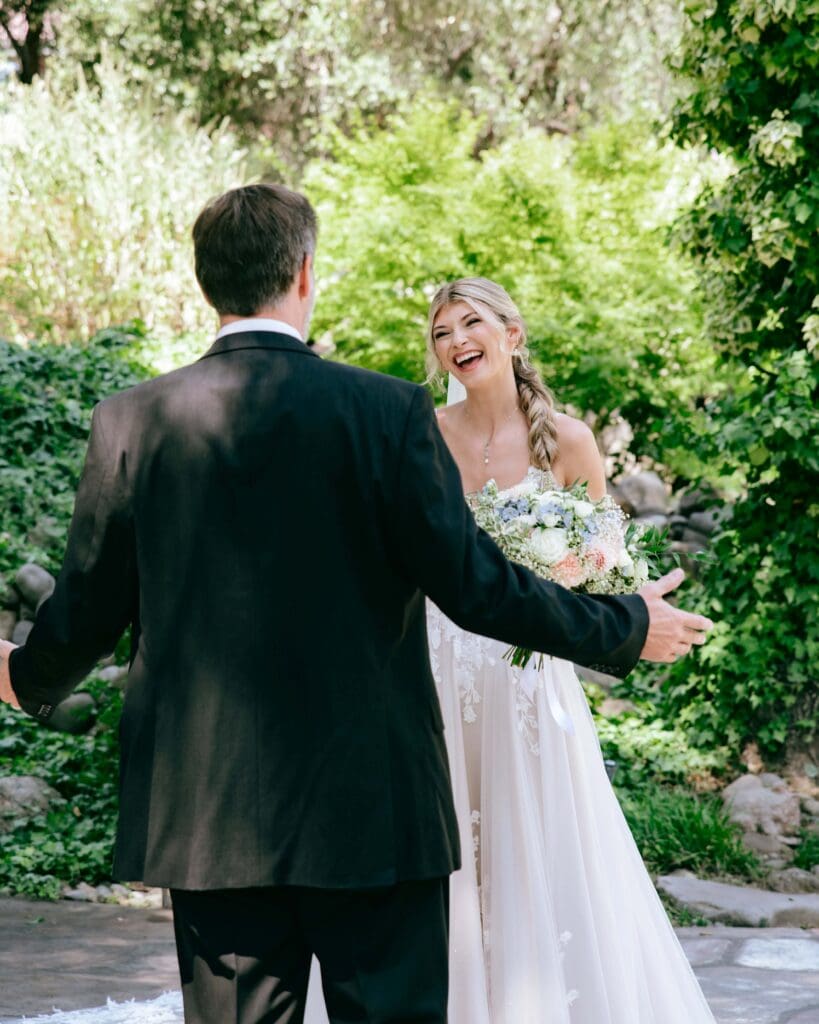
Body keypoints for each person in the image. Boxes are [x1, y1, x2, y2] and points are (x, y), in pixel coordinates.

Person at [0, 186, 711, 1024]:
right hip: (372, 809)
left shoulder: (133, 419)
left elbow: (85, 608)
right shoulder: (384, 411)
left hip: (210, 814)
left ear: (207, 286)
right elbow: (477, 585)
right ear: (304, 274)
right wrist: (625, 626)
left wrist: (22, 676)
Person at [425, 276, 717, 1023]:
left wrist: (610, 595)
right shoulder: (423, 433)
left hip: (529, 678)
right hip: (439, 666)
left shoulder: (571, 438)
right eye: (440, 333)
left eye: (470, 323)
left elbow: (604, 568)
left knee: (540, 837)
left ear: (511, 335)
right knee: (450, 837)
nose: (456, 340)